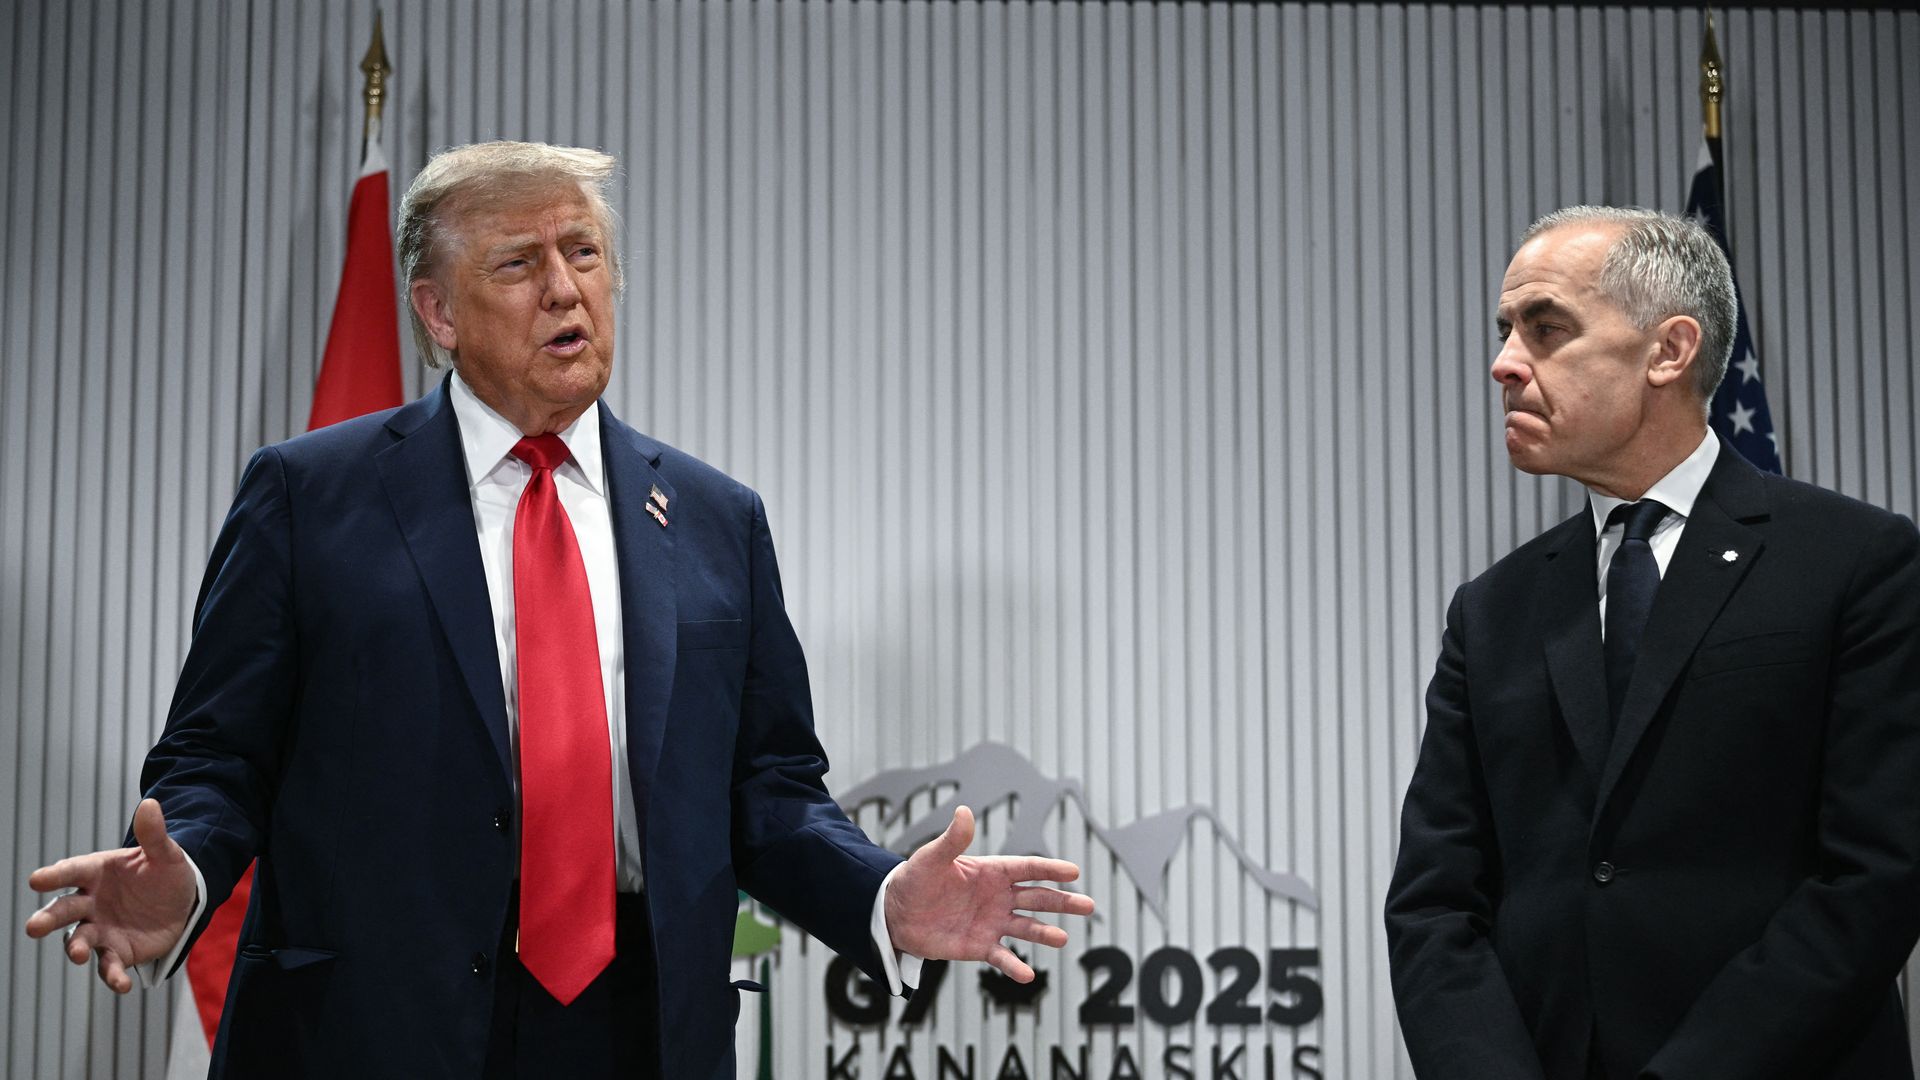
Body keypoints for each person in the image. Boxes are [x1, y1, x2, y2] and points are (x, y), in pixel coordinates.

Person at [24, 141, 1094, 1079]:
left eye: (584, 254)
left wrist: (880, 898)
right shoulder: (310, 495)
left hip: (640, 1029)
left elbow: (770, 791)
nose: (565, 290)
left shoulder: (717, 518)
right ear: (437, 310)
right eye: (519, 263)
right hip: (369, 1031)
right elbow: (218, 755)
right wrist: (189, 871)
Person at [1385, 206, 1920, 1079]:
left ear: (1668, 351)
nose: (1504, 363)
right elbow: (1436, 904)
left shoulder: (1854, 561)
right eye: (1506, 330)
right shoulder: (1490, 611)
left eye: (1546, 328)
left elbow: (1876, 874)